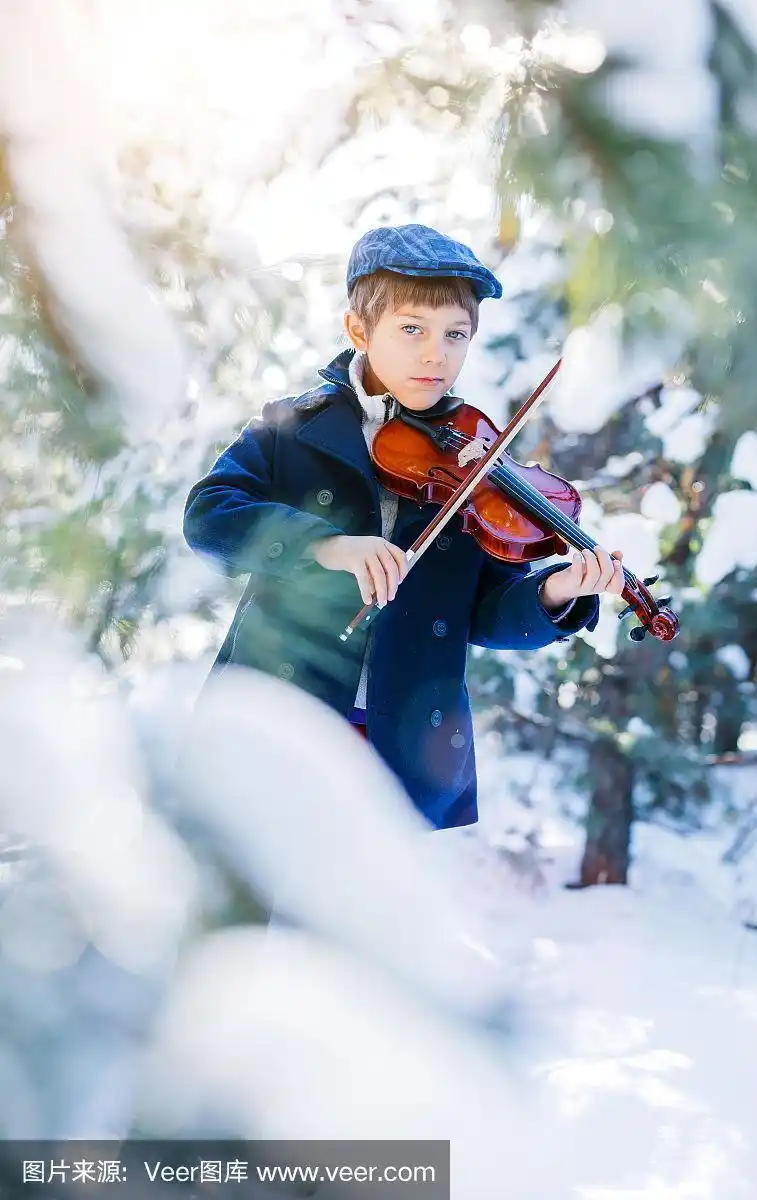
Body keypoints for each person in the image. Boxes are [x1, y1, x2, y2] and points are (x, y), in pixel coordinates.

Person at [183, 223, 624, 832]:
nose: (435, 355)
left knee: (355, 919)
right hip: (284, 714)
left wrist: (553, 593)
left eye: (456, 335)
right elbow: (210, 515)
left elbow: (489, 614)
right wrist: (327, 546)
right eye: (411, 329)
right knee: (243, 900)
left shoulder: (475, 454)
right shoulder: (294, 428)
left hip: (399, 737)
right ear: (359, 331)